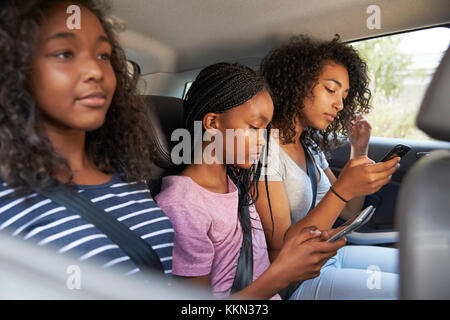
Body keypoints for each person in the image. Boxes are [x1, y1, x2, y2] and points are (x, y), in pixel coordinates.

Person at [0, 0, 173, 277]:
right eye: (64, 54)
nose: (95, 71)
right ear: (14, 70)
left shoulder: (130, 175)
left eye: (103, 55)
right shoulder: (8, 202)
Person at [155, 62, 346, 300]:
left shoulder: (235, 179)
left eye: (265, 130)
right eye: (254, 127)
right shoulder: (183, 207)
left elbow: (258, 257)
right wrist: (282, 274)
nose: (263, 141)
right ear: (213, 123)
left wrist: (303, 244)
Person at [256, 34, 400, 299]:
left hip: (330, 255)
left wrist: (359, 151)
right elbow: (282, 250)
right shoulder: (263, 150)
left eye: (344, 95)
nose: (340, 104)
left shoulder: (308, 147)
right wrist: (344, 187)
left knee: (423, 272)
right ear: (296, 84)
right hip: (296, 280)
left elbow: (348, 209)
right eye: (331, 90)